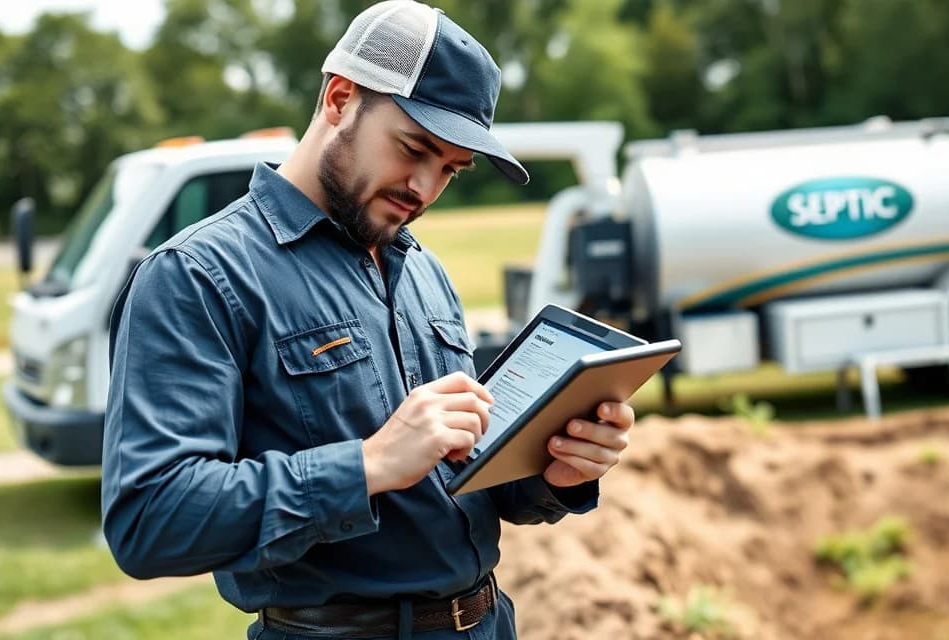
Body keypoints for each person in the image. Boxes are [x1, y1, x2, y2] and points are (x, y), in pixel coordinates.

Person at [100, 2, 636, 638]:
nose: (425, 188)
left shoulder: (424, 270)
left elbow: (457, 484)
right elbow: (150, 520)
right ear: (340, 97)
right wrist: (366, 465)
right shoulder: (197, 275)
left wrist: (556, 471)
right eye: (415, 148)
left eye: (451, 171)